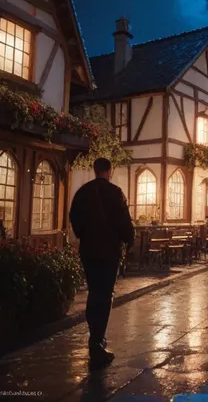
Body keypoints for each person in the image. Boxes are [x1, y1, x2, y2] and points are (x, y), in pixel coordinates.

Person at [69, 158, 134, 369]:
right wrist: (128, 240)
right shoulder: (115, 193)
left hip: (89, 251)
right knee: (105, 295)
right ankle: (96, 341)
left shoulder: (83, 192)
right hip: (109, 252)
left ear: (95, 170)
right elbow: (125, 222)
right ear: (110, 170)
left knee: (94, 291)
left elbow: (74, 217)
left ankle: (95, 337)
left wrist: (84, 235)